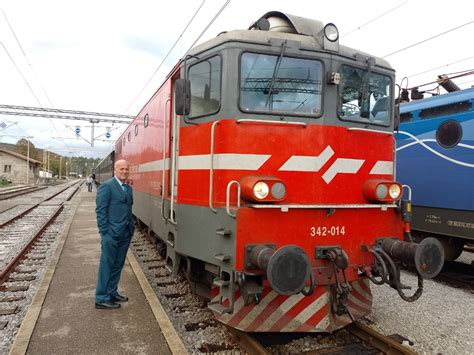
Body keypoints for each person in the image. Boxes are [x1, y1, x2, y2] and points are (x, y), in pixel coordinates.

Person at [94, 159, 135, 310]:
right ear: (115, 170)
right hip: (111, 234)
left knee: (118, 264)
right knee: (107, 265)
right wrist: (105, 232)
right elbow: (100, 211)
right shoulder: (107, 186)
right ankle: (101, 298)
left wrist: (131, 227)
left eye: (127, 169)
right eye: (122, 169)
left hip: (125, 232)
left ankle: (112, 292)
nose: (125, 171)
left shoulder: (128, 188)